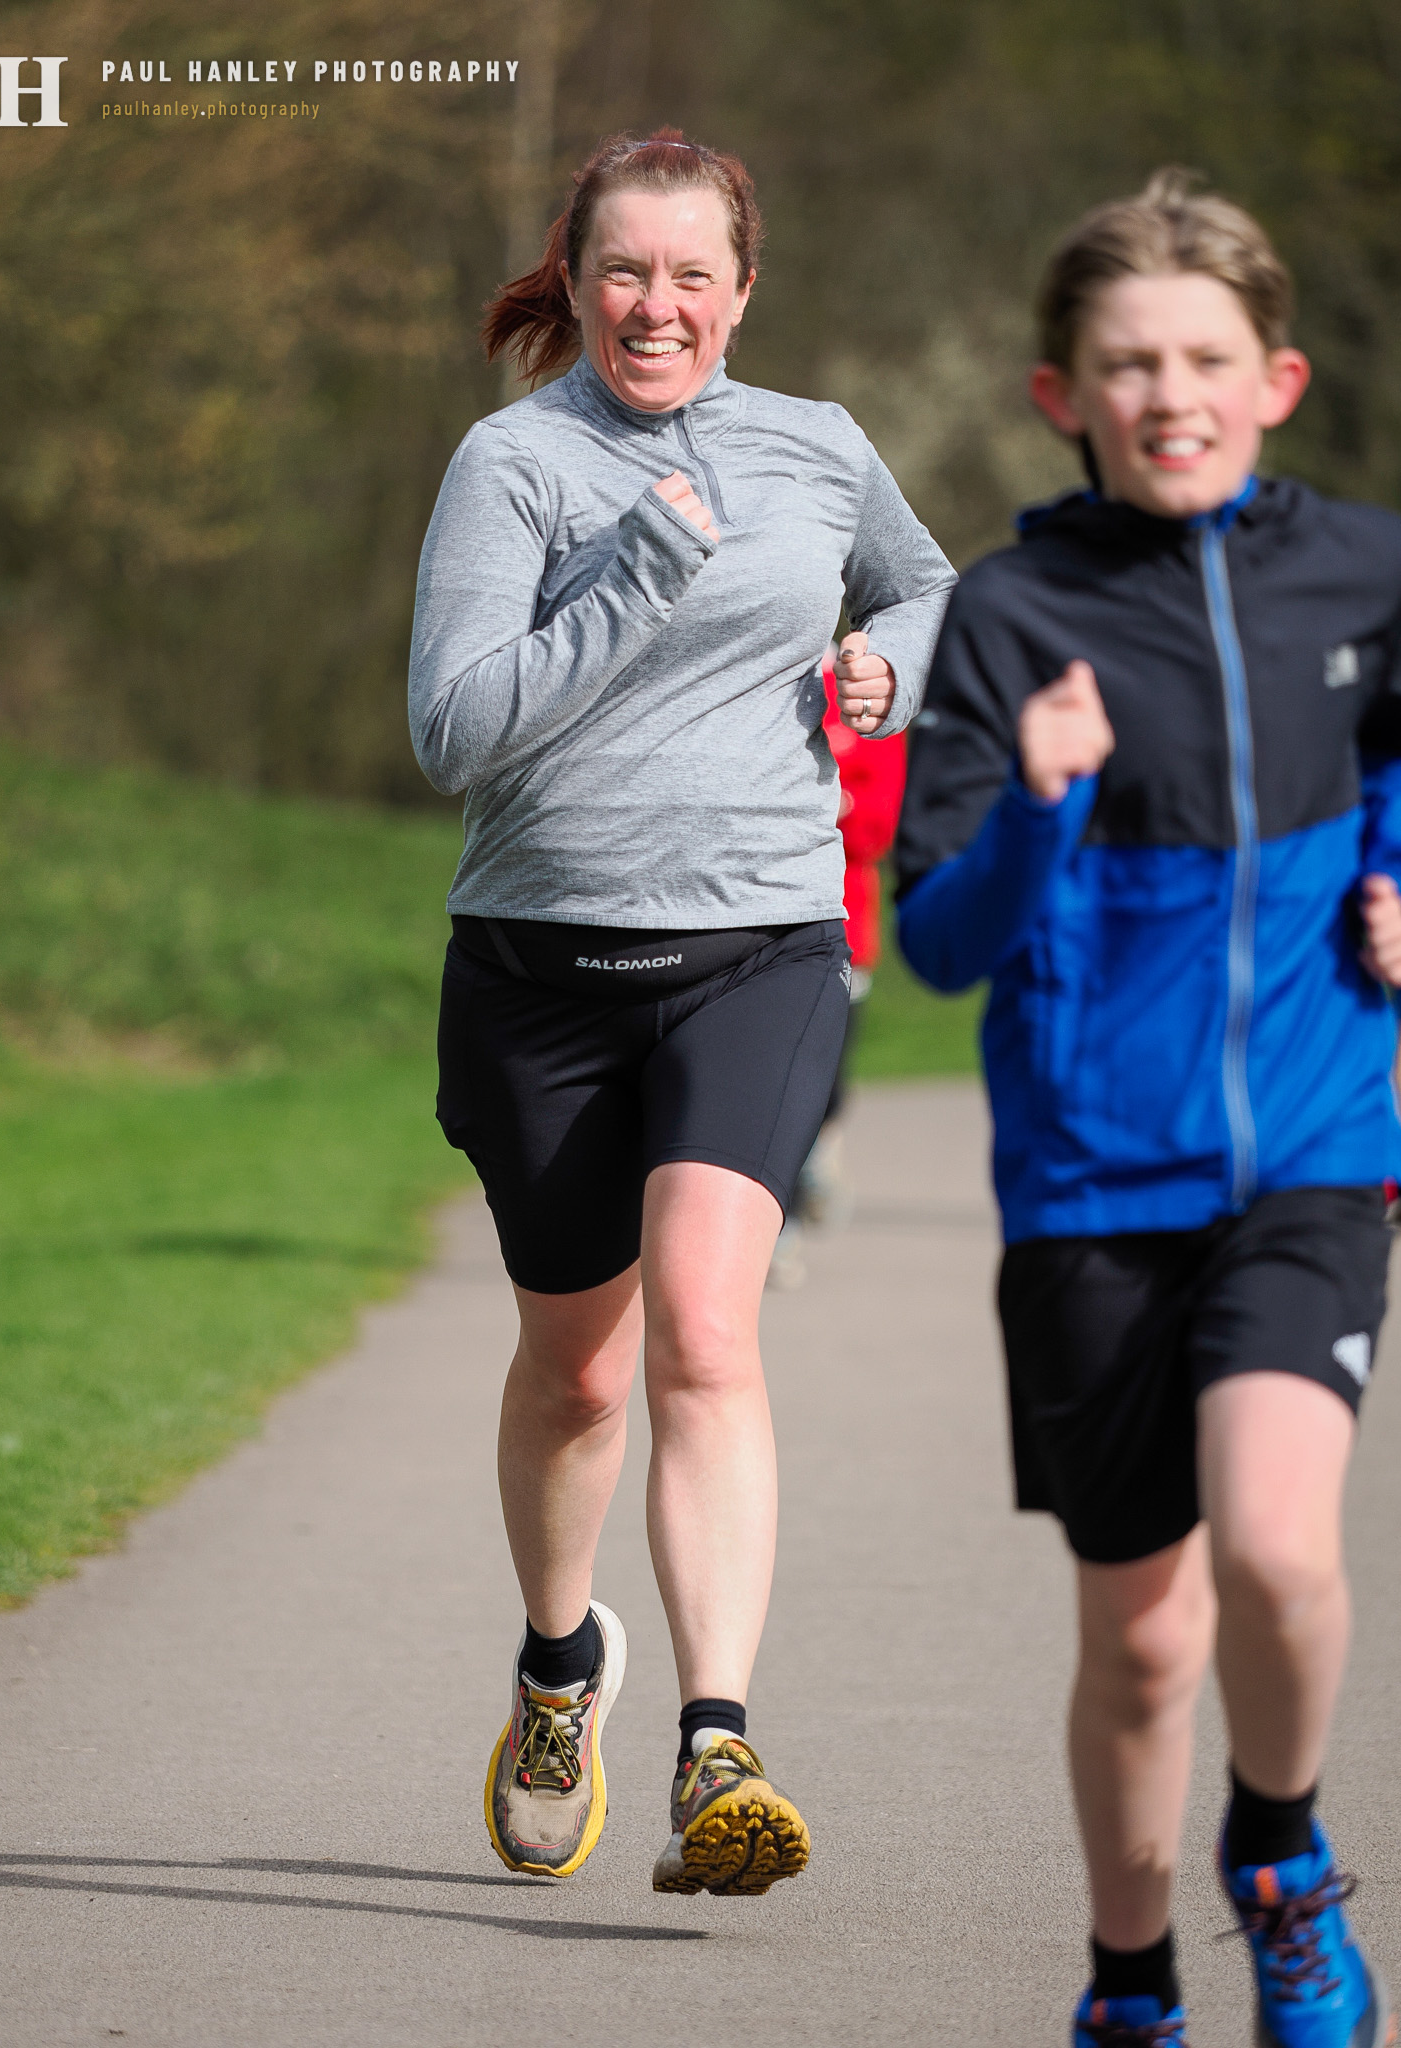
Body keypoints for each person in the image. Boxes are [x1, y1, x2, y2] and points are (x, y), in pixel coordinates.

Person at [409, 128, 954, 1894]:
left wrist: (894, 667)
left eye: (691, 274)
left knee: (707, 1335)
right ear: (573, 280)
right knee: (578, 1373)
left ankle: (717, 1742)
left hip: (760, 947)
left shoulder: (820, 447)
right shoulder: (516, 464)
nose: (658, 305)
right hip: (540, 972)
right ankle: (560, 1669)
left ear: (742, 289)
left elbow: (934, 585)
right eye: (623, 271)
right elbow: (453, 730)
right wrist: (636, 572)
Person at [895, 169, 1401, 2046]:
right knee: (1144, 1632)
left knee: (1279, 1549)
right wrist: (1035, 803)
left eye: (1201, 358)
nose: (1166, 392)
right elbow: (937, 943)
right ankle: (1126, 1981)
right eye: (1125, 365)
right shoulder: (1017, 613)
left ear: (1273, 376)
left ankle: (1276, 1864)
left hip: (1316, 1163)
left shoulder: (1365, 572)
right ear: (1061, 395)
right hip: (1095, 1190)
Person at [770, 646, 907, 1287]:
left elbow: (878, 826)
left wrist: (807, 805)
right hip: (760, 923)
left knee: (827, 1086)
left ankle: (820, 1154)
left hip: (846, 928)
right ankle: (780, 1228)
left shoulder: (860, 692)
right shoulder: (753, 678)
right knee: (775, 1088)